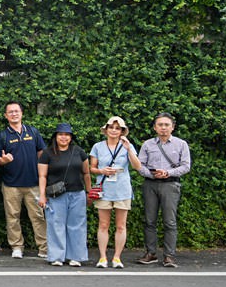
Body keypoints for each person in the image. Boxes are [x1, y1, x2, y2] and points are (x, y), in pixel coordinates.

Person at [0, 101, 48, 259]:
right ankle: (17, 247)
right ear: (6, 116)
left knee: (38, 217)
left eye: (16, 111)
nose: (14, 114)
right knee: (12, 217)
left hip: (34, 184)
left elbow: (41, 154)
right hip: (11, 185)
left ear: (22, 113)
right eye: (10, 112)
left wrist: (42, 175)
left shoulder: (33, 132)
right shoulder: (2, 136)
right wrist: (4, 160)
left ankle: (44, 247)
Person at [135, 112, 192, 268]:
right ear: (155, 127)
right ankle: (150, 253)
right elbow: (140, 165)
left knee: (170, 222)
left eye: (167, 125)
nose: (163, 128)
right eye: (160, 125)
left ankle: (169, 256)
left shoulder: (181, 144)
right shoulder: (147, 144)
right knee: (149, 220)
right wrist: (153, 175)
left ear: (172, 127)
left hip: (171, 185)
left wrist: (168, 173)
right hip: (150, 185)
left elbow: (186, 166)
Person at [89, 116, 142, 269]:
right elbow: (92, 168)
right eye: (111, 127)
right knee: (103, 224)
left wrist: (128, 148)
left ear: (122, 131)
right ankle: (103, 257)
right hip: (104, 189)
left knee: (121, 226)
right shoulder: (97, 146)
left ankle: (117, 257)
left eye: (117, 128)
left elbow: (137, 166)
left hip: (122, 189)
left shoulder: (127, 146)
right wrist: (102, 171)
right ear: (106, 130)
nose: (113, 130)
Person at [37, 123, 90, 267]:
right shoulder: (47, 153)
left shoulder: (79, 151)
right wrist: (42, 195)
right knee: (55, 225)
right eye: (61, 134)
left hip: (77, 193)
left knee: (77, 225)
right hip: (56, 195)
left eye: (67, 135)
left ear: (71, 137)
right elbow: (42, 176)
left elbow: (86, 173)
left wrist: (89, 192)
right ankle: (56, 256)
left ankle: (76, 257)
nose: (64, 137)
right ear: (55, 136)